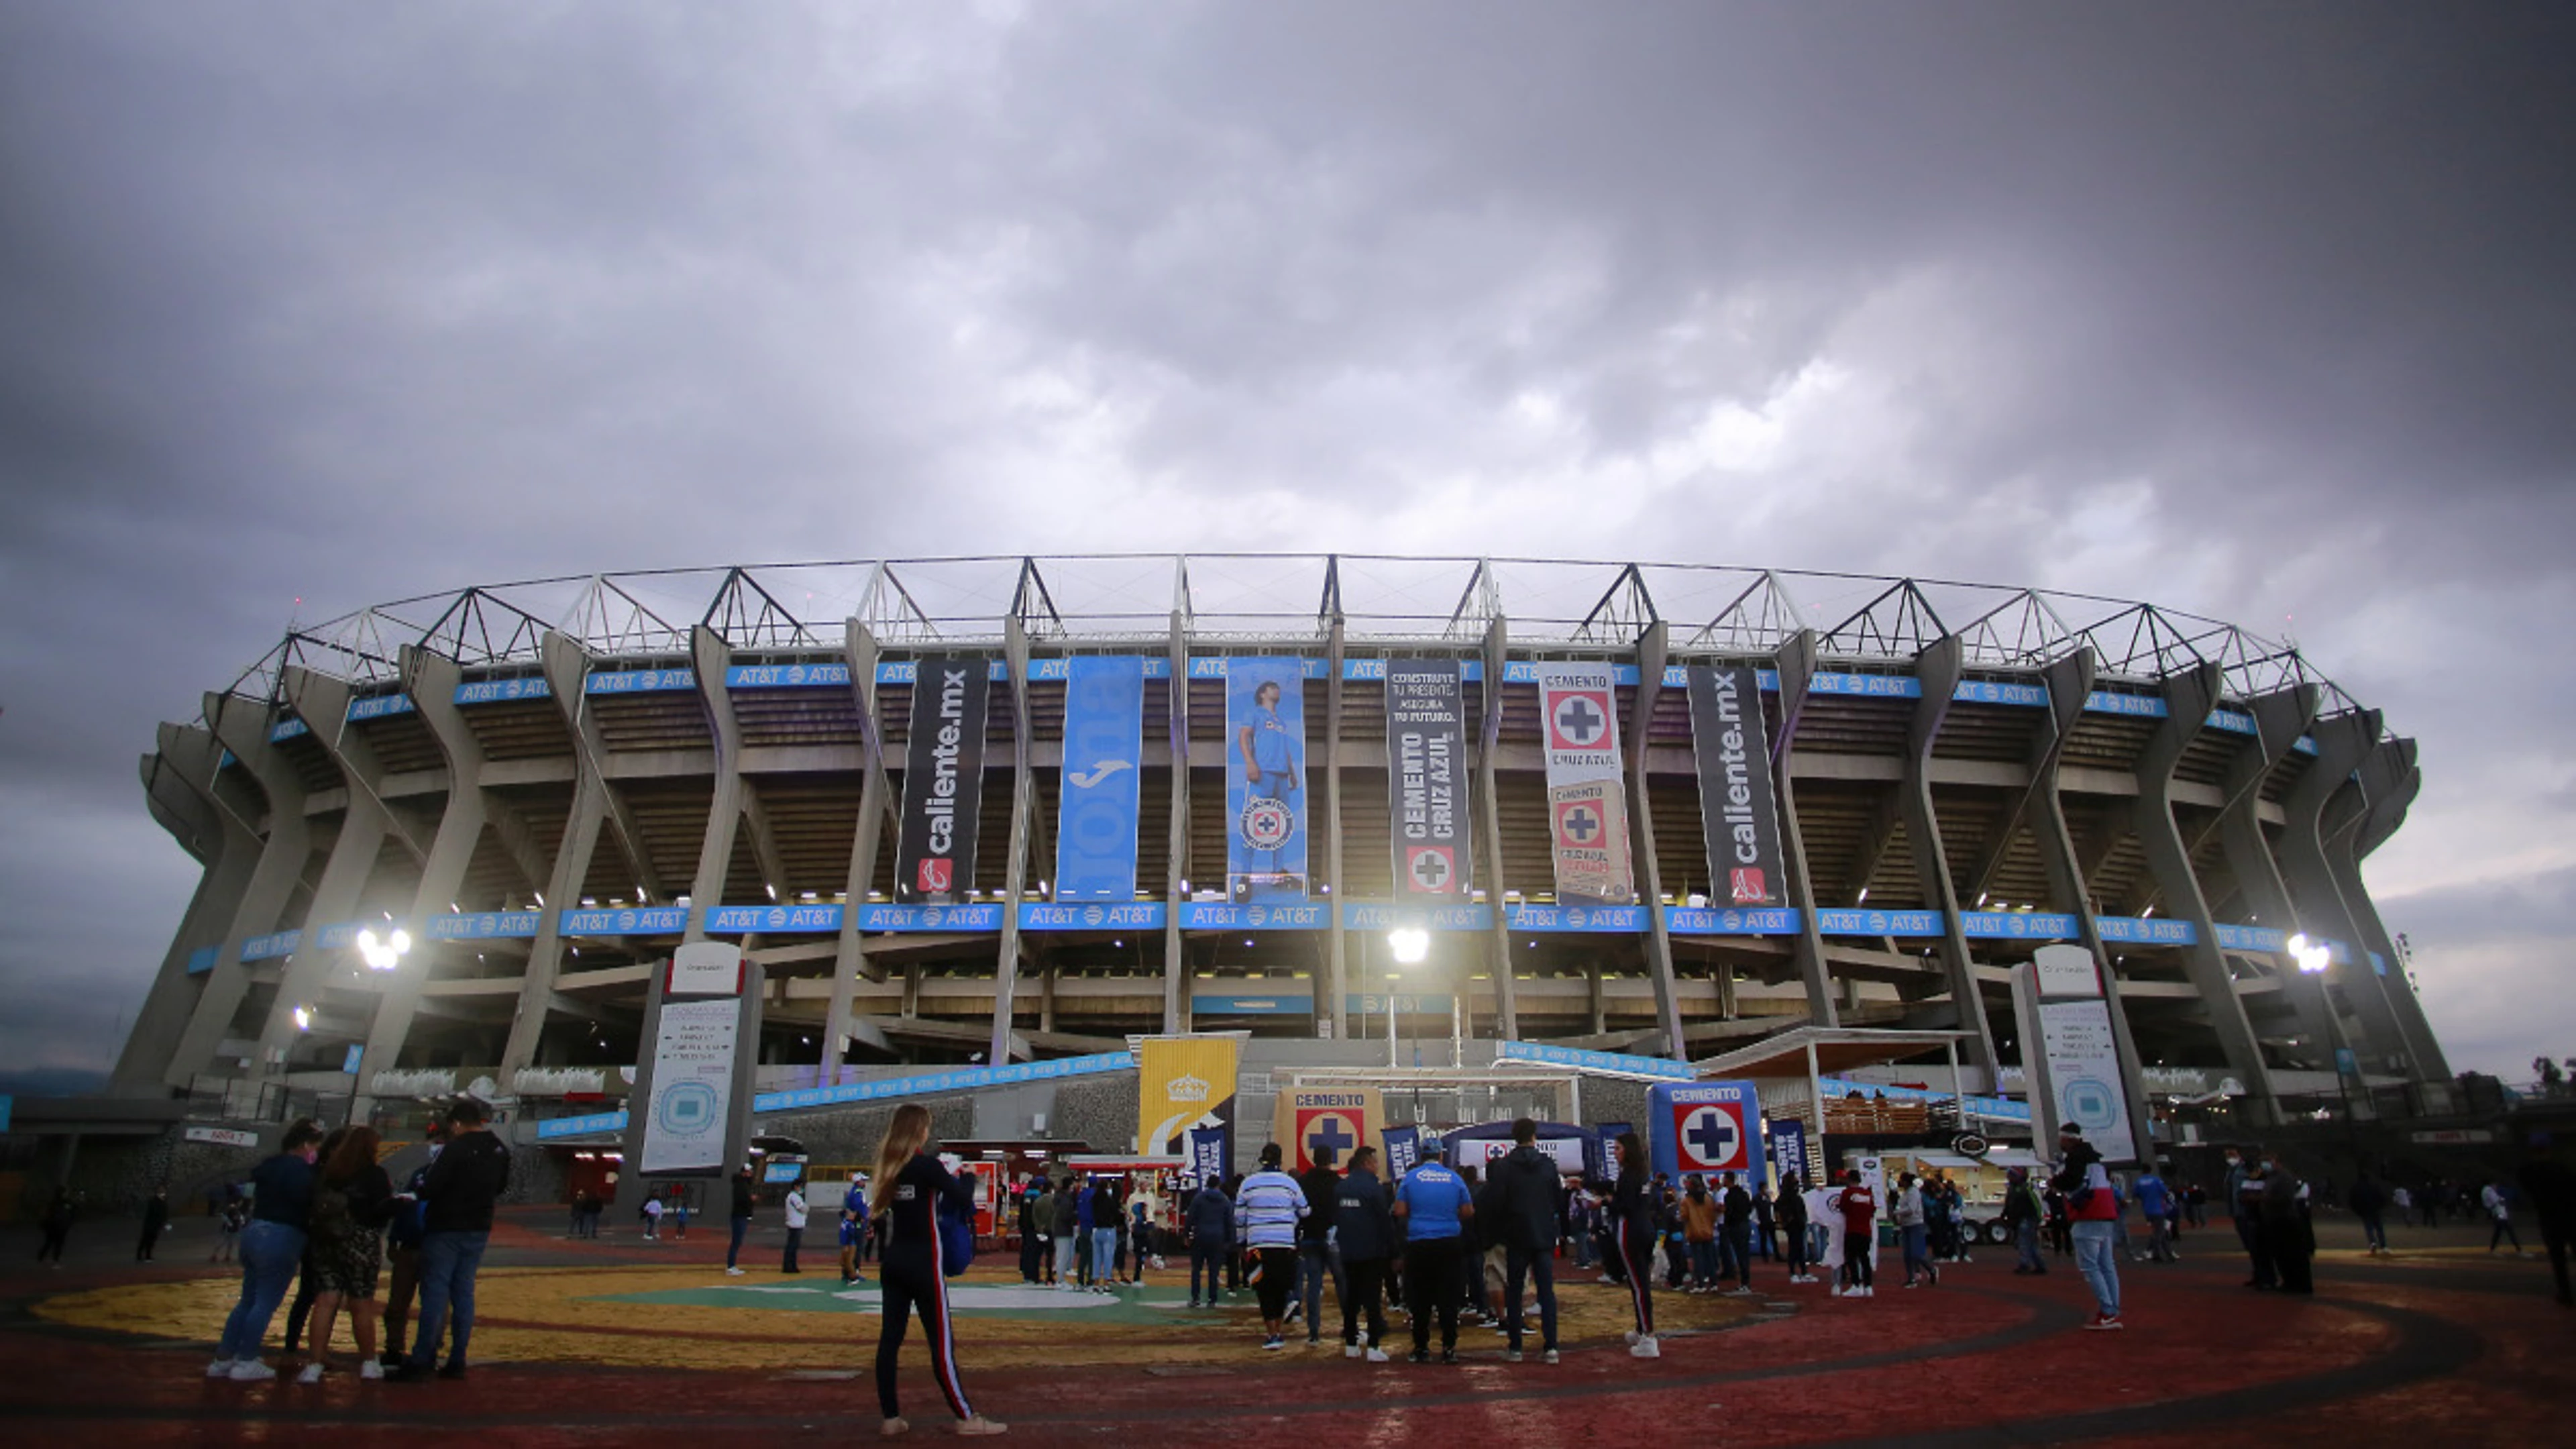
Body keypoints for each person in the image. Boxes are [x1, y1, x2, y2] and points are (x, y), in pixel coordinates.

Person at [869, 1102, 1005, 1438]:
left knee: (890, 1342)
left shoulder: (889, 1168)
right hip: (924, 1262)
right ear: (920, 1130)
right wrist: (969, 1176)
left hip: (894, 1261)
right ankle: (966, 1417)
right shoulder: (926, 1166)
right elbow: (962, 1199)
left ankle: (891, 1417)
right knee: (941, 1345)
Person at [389, 1097, 511, 1382]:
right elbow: (501, 1187)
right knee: (463, 1292)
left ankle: (423, 1357)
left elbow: (431, 1187)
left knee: (435, 1292)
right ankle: (457, 1358)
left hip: (446, 1226)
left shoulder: (455, 1149)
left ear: (456, 1124)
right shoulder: (498, 1148)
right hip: (479, 1226)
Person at [211, 1119, 323, 1381]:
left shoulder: (268, 1165)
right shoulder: (305, 1173)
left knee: (247, 1300)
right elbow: (309, 1204)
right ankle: (247, 1359)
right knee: (266, 1302)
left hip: (254, 1231)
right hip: (283, 1235)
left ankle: (223, 1358)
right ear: (307, 1145)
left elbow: (251, 1192)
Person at [301, 1125, 396, 1382]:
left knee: (325, 1300)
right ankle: (368, 1362)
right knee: (361, 1301)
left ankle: (314, 1364)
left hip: (326, 1240)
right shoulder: (374, 1174)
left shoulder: (330, 1173)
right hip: (361, 1240)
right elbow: (382, 1209)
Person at [1393, 1140, 1473, 1364]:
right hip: (1449, 1242)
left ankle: (1421, 1348)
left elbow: (1399, 1210)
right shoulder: (1454, 1178)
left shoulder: (1410, 1178)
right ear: (1440, 1156)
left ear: (1421, 1156)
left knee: (1420, 1297)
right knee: (1448, 1296)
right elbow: (1468, 1211)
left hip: (1419, 1243)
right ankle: (1449, 1347)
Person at [1491, 1120, 1562, 1364]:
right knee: (1546, 1292)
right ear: (1534, 1137)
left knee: (1514, 1290)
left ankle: (1516, 1347)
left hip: (1516, 1235)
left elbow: (1497, 1203)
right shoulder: (1548, 1165)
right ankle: (1551, 1346)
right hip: (1543, 1234)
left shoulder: (1504, 1167)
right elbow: (1558, 1200)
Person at [1236, 1145, 1310, 1350]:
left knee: (1264, 1289)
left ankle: (1272, 1334)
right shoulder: (1290, 1183)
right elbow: (1305, 1211)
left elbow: (1239, 1218)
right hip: (1284, 1243)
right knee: (1281, 1287)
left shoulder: (1248, 1183)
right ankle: (1279, 1330)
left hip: (1257, 1244)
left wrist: (1242, 1243)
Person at [2053, 1124, 2122, 1328]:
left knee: (2090, 1266)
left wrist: (2055, 1181)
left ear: (2067, 1139)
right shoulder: (2096, 1159)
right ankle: (2113, 1309)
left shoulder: (2075, 1158)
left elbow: (2071, 1180)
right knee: (2107, 1266)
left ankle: (2108, 1311)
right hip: (2105, 1213)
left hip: (2087, 1215)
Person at [1335, 1146, 1397, 1361]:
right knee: (1372, 1299)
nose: (1377, 1166)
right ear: (1367, 1163)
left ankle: (1351, 1344)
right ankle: (1373, 1346)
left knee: (1351, 1297)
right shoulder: (1374, 1189)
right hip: (1372, 1251)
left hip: (1348, 1251)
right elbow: (1384, 1221)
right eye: (1375, 1162)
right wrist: (1394, 1251)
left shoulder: (1341, 1188)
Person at [380, 1142, 436, 1373]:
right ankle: (394, 1347)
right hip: (411, 1245)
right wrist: (394, 1240)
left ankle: (428, 1348)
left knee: (432, 1302)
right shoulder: (420, 1174)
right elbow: (405, 1206)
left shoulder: (452, 1177)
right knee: (399, 1301)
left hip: (434, 1246)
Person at [1602, 1132, 1659, 1356]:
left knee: (1639, 1285)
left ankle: (1649, 1336)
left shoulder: (1628, 1176)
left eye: (1617, 1149)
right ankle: (1642, 1328)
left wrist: (1607, 1201)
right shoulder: (1642, 1174)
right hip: (1646, 1228)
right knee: (1641, 1282)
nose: (1615, 1153)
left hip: (1631, 1231)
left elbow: (1624, 1205)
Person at [1295, 1144, 1344, 1346]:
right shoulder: (1338, 1183)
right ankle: (1349, 1326)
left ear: (1313, 1159)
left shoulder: (1303, 1182)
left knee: (1314, 1285)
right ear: (1331, 1159)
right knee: (1342, 1282)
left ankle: (1313, 1331)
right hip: (1333, 1238)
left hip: (1310, 1238)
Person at [2261, 1150, 2315, 1295]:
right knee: (2282, 1255)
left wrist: (2265, 1200)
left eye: (2268, 1160)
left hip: (2285, 1219)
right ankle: (2290, 1282)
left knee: (2293, 1253)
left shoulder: (2284, 1177)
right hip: (2274, 1219)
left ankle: (2301, 1284)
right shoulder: (2270, 1178)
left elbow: (2285, 1199)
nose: (2264, 1164)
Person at [1185, 1172, 1232, 1307]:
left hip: (1200, 1236)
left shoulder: (1199, 1198)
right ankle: (1212, 1299)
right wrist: (1229, 1241)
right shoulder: (1225, 1200)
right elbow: (1229, 1221)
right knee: (1214, 1270)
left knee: (1196, 1269)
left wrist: (1186, 1235)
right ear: (1219, 1185)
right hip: (1218, 1237)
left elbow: (1190, 1217)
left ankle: (1195, 1298)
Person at [1836, 1169, 1878, 1298]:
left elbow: (1842, 1208)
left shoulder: (1847, 1193)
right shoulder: (1868, 1194)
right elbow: (1872, 1210)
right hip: (1866, 1230)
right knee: (1865, 1259)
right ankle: (1868, 1287)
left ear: (1849, 1180)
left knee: (1851, 1258)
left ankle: (1856, 1285)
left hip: (1853, 1229)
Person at [2003, 1166, 2046, 1275]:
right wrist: (2005, 1213)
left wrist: (2038, 1218)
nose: (2009, 1177)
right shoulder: (2013, 1189)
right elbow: (2009, 1204)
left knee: (2025, 1242)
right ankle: (2038, 1265)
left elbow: (2036, 1204)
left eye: (2011, 1175)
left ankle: (2025, 1264)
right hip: (2021, 1219)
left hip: (2028, 1218)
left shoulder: (2026, 1189)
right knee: (2029, 1242)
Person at [1679, 1175, 1719, 1291]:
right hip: (1707, 1231)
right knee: (1710, 1258)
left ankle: (1700, 1284)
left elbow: (1684, 1216)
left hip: (1694, 1232)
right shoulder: (1708, 1198)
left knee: (1698, 1260)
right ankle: (1714, 1283)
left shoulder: (1686, 1201)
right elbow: (1713, 1215)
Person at [1720, 1171, 1757, 1294]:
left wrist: (1728, 1219)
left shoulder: (1729, 1196)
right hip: (1745, 1225)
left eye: (1724, 1179)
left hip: (1736, 1227)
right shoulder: (1743, 1193)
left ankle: (1745, 1284)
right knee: (1744, 1255)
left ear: (1728, 1180)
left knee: (1741, 1256)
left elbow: (1729, 1213)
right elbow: (1749, 1208)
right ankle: (1746, 1282)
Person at [1894, 1172, 1933, 1287]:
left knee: (1916, 1253)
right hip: (1906, 1224)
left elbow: (1911, 1209)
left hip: (1915, 1224)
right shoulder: (1906, 1193)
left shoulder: (1913, 1193)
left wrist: (1897, 1212)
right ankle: (1911, 1278)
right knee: (1908, 1254)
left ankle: (1931, 1269)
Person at [2136, 1163, 2178, 1263]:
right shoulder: (2156, 1181)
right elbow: (2165, 1192)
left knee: (2160, 1231)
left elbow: (2136, 1194)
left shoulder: (2138, 1182)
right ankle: (2156, 1254)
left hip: (2147, 1210)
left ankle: (2169, 1254)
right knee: (2159, 1233)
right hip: (2158, 1209)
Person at [1778, 1171, 1814, 1283]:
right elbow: (1780, 1208)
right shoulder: (1786, 1196)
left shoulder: (1795, 1195)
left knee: (1800, 1249)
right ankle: (1793, 1272)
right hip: (1793, 1225)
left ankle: (1803, 1272)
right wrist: (1787, 1220)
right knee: (1794, 1248)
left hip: (1799, 1224)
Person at [1050, 1176, 1081, 1291]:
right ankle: (1060, 1281)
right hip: (1064, 1230)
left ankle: (1060, 1279)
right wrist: (1075, 1216)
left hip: (1060, 1229)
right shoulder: (1066, 1199)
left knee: (1061, 1255)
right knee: (1062, 1256)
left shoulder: (1060, 1197)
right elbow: (1066, 1214)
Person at [2348, 1173, 2389, 1256]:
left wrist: (2358, 1211)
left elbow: (2352, 1201)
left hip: (2365, 1211)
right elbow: (2382, 1197)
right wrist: (2380, 1206)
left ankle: (2373, 1243)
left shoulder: (2356, 1188)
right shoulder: (2374, 1186)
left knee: (2369, 1228)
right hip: (2375, 1209)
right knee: (2379, 1228)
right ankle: (2384, 1246)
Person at [725, 1166, 756, 1275]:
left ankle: (732, 1265)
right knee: (736, 1241)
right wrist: (750, 1200)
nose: (751, 1174)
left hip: (741, 1215)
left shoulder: (742, 1184)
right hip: (740, 1215)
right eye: (749, 1172)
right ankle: (731, 1266)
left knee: (737, 1241)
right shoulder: (741, 1185)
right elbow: (742, 1200)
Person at [843, 1173, 873, 1285]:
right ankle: (854, 1272)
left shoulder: (853, 1191)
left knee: (851, 1246)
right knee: (857, 1247)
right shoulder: (858, 1192)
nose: (865, 1183)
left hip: (853, 1222)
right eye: (863, 1181)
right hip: (858, 1222)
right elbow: (859, 1206)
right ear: (858, 1182)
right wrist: (865, 1215)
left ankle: (848, 1271)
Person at [1016, 1177, 1045, 1284]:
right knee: (1035, 1253)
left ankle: (1026, 1274)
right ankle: (1034, 1276)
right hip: (1034, 1228)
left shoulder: (1025, 1195)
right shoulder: (1038, 1197)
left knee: (1026, 1251)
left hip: (1025, 1227)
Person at [2483, 1180, 2525, 1254]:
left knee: (2500, 1232)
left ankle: (2493, 1248)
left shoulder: (2494, 1194)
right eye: (2494, 1186)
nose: (2496, 1187)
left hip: (2501, 1215)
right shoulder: (2490, 1192)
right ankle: (2518, 1248)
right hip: (2500, 1216)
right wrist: (2502, 1200)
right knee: (2508, 1231)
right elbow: (2496, 1202)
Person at [36, 1188, 74, 1266]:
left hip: (52, 1226)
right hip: (59, 1226)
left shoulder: (53, 1202)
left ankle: (41, 1257)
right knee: (58, 1244)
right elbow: (68, 1212)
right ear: (63, 1193)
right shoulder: (64, 1203)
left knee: (49, 1242)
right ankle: (56, 1261)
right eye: (66, 1193)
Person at [136, 1186, 171, 1263]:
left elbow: (163, 1214)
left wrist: (164, 1223)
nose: (163, 1194)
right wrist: (164, 1223)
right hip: (152, 1225)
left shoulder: (159, 1202)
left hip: (153, 1225)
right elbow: (159, 1214)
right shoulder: (156, 1202)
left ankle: (144, 1256)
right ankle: (145, 1256)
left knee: (148, 1241)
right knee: (147, 1240)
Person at [782, 1181, 809, 1274]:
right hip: (795, 1224)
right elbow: (802, 1208)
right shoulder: (794, 1197)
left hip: (796, 1223)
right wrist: (806, 1208)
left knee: (793, 1246)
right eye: (800, 1186)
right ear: (795, 1187)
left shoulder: (794, 1196)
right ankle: (789, 1266)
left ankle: (791, 1265)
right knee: (792, 1246)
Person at [213, 1193, 246, 1264]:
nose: (241, 1203)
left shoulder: (236, 1209)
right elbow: (227, 1217)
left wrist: (241, 1222)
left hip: (234, 1228)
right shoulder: (232, 1209)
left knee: (230, 1243)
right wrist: (231, 1224)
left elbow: (239, 1218)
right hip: (229, 1229)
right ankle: (215, 1255)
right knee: (224, 1242)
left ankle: (227, 1256)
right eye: (241, 1201)